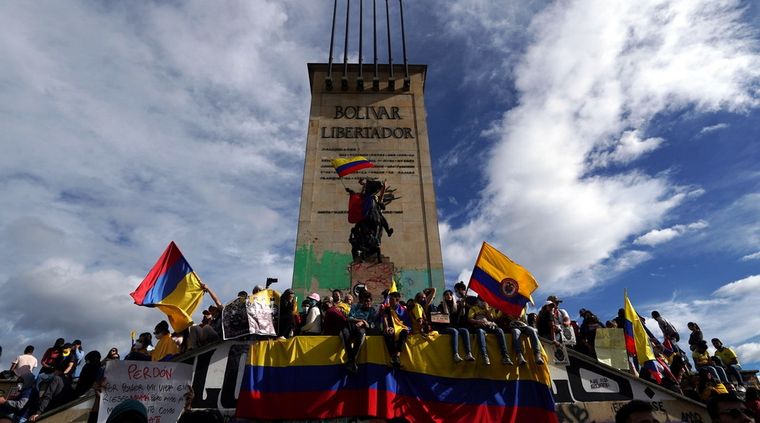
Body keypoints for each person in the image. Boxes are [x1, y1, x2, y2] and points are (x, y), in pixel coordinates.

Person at [467, 298, 513, 366]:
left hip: (490, 326)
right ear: (478, 301)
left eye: (484, 300)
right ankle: (484, 356)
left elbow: (493, 319)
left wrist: (487, 310)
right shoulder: (474, 309)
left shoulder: (490, 308)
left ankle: (505, 356)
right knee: (480, 331)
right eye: (481, 300)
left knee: (499, 330)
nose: (482, 302)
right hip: (480, 327)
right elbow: (470, 319)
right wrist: (478, 321)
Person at [342, 291, 376, 372]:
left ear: (371, 302)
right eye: (365, 301)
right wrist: (361, 320)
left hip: (362, 329)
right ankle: (352, 359)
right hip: (350, 326)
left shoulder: (372, 310)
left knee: (360, 334)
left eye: (368, 301)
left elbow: (371, 325)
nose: (366, 303)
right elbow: (349, 318)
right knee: (344, 333)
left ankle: (351, 360)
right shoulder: (355, 306)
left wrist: (363, 323)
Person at [437, 289, 474, 363]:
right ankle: (455, 354)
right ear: (444, 297)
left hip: (455, 327)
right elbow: (438, 319)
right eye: (446, 295)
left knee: (465, 330)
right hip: (444, 328)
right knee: (454, 331)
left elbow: (463, 315)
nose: (449, 296)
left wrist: (463, 306)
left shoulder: (457, 306)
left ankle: (468, 353)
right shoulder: (441, 306)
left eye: (450, 294)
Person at [381, 291, 411, 368]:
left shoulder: (403, 310)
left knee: (404, 333)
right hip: (391, 328)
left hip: (400, 328)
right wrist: (387, 327)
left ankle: (397, 355)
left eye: (392, 300)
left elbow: (407, 324)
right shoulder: (387, 309)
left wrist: (406, 329)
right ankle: (392, 357)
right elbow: (385, 318)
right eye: (389, 299)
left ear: (397, 300)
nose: (390, 301)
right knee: (387, 334)